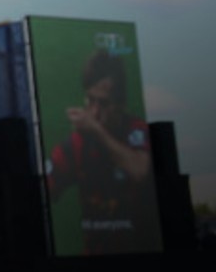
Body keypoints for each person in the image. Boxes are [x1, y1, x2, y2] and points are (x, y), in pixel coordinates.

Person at [46, 47, 157, 254]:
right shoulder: (76, 144)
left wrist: (97, 131)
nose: (95, 111)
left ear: (120, 103)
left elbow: (140, 171)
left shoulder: (136, 129)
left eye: (104, 103)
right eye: (90, 100)